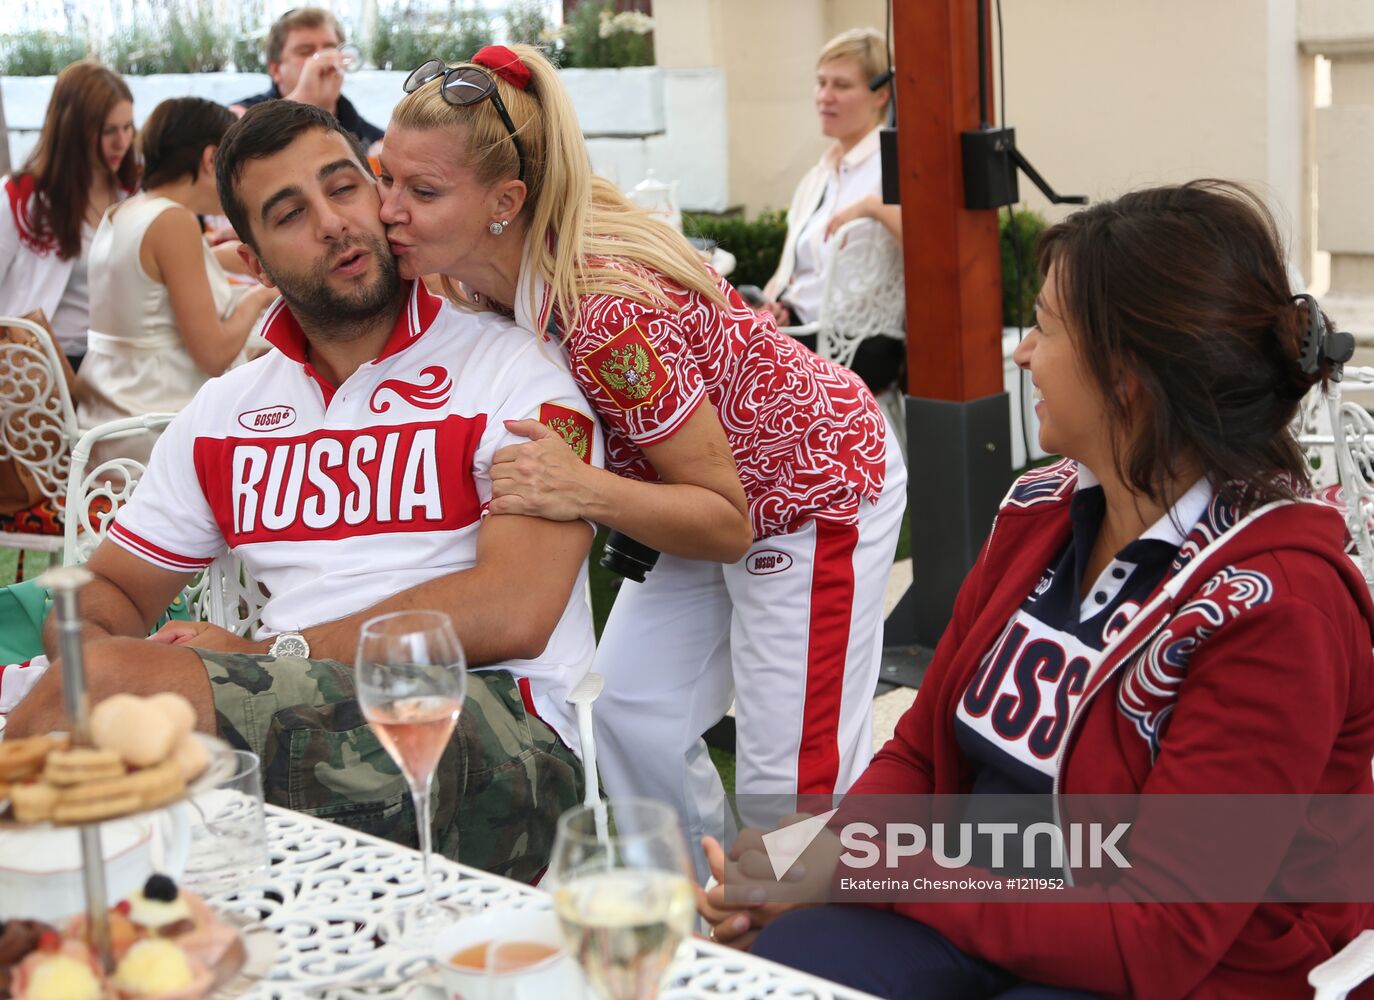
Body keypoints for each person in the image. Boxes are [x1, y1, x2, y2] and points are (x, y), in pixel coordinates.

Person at [697, 181, 1374, 998]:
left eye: (1045, 328)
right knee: (781, 968)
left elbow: (1155, 937)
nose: (1022, 354)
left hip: (1176, 964)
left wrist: (872, 871)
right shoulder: (1042, 507)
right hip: (982, 900)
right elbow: (922, 749)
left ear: (1126, 378)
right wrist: (813, 861)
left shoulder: (1276, 605)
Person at [7, 100, 602, 882]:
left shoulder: (514, 370)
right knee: (90, 717)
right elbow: (114, 585)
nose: (332, 223)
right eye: (290, 214)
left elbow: (516, 605)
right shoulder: (227, 411)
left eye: (344, 187)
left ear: (380, 193)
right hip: (289, 721)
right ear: (253, 264)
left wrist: (258, 655)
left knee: (100, 708)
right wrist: (97, 650)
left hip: (497, 729)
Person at [377, 44, 907, 879]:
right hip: (694, 493)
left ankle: (806, 933)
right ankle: (700, 901)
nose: (389, 211)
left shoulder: (603, 316)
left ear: (506, 202)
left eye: (422, 191)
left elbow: (727, 523)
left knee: (789, 787)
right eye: (386, 180)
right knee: (626, 715)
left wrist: (582, 487)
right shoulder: (482, 277)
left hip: (809, 492)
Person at [77, 97, 278, 465]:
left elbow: (157, 274)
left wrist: (235, 255)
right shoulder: (174, 221)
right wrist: (262, 295)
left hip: (102, 417)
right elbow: (213, 356)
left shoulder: (124, 211)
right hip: (151, 427)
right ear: (210, 159)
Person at [748, 28, 905, 396]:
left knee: (717, 362)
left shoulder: (892, 164)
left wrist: (871, 207)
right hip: (801, 329)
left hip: (856, 344)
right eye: (821, 83)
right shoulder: (820, 175)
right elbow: (791, 270)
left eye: (841, 85)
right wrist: (775, 305)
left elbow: (932, 247)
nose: (824, 96)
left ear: (881, 94)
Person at [0, 60, 137, 372]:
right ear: (72, 131)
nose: (122, 142)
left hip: (118, 360)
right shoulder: (21, 197)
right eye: (108, 131)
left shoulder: (132, 188)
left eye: (128, 127)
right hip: (39, 367)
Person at [230, 7, 383, 153]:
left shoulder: (373, 141)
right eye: (305, 52)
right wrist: (302, 101)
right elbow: (228, 145)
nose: (323, 60)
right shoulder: (240, 115)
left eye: (330, 49)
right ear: (275, 70)